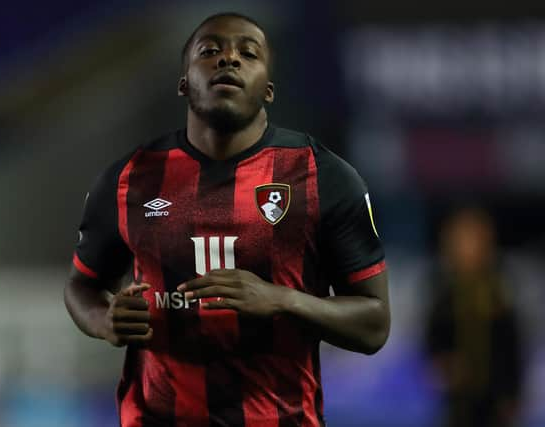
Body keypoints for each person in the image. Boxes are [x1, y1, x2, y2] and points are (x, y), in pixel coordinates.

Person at [64, 12, 390, 426]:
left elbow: (374, 324)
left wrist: (283, 300)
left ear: (268, 89)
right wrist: (102, 319)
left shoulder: (323, 177)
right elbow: (82, 285)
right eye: (210, 51)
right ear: (183, 82)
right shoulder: (129, 179)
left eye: (247, 53)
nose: (229, 60)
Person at [424, 207, 523, 427]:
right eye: (460, 241)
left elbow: (512, 345)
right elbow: (432, 341)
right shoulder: (444, 294)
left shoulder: (499, 291)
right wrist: (444, 365)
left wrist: (512, 393)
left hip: (495, 400)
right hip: (457, 400)